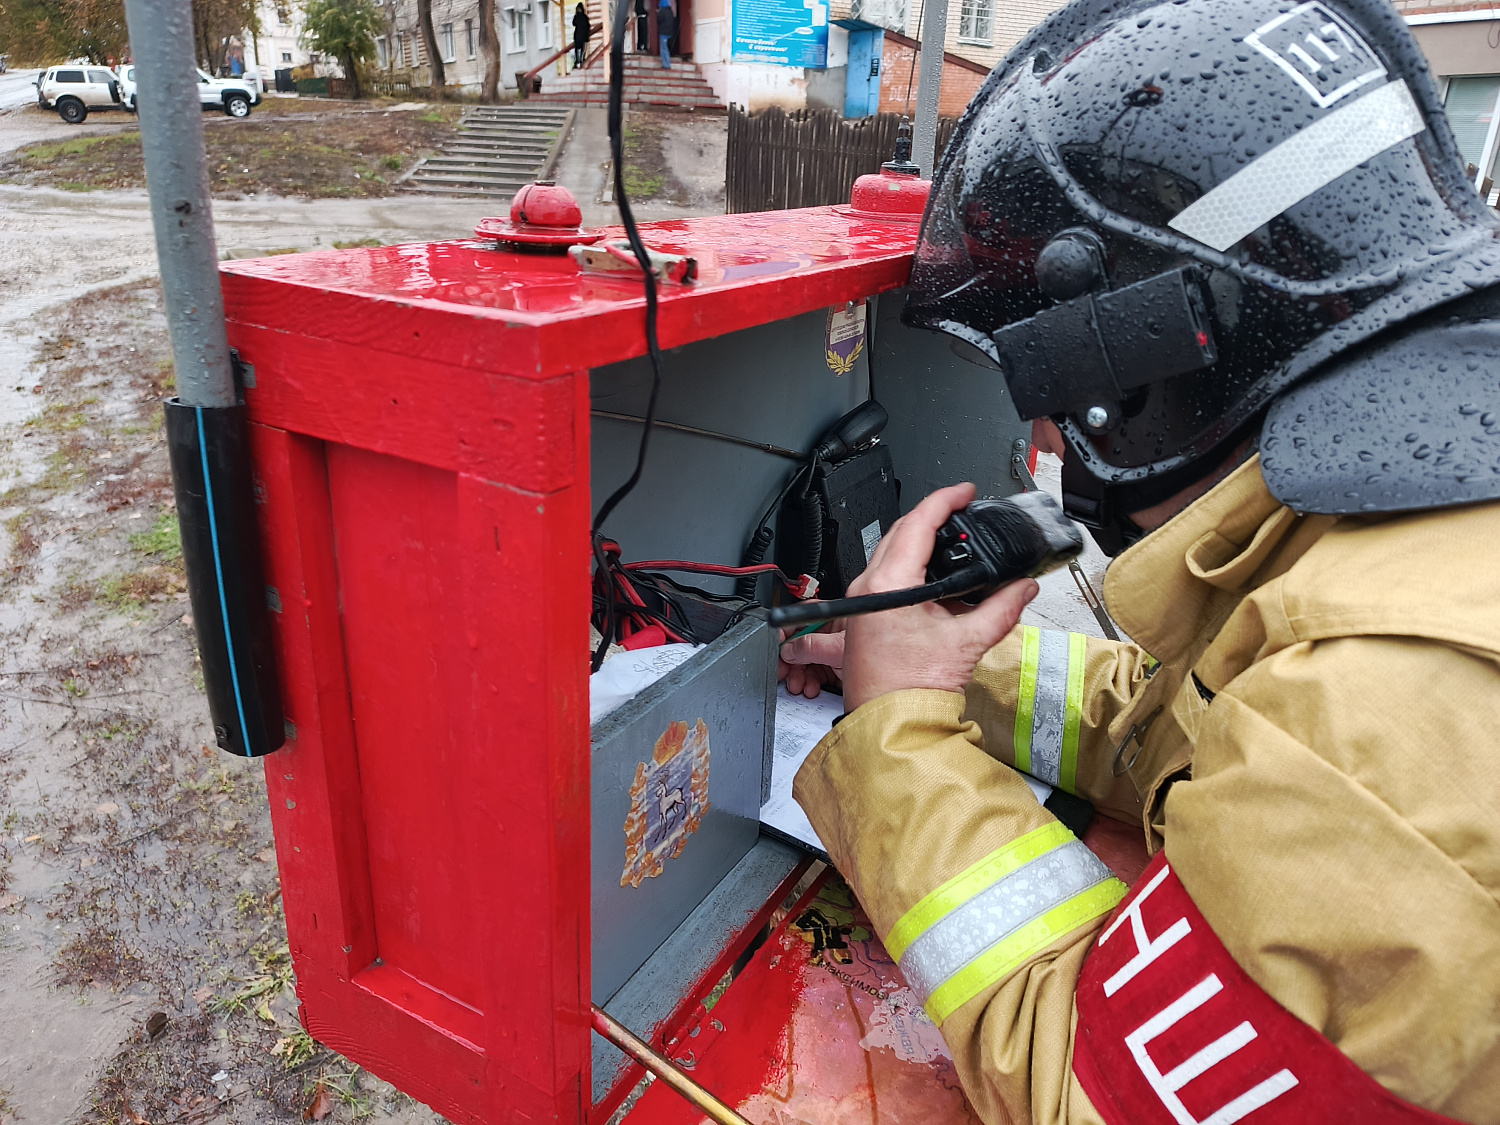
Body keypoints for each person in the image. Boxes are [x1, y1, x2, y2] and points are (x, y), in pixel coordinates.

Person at [780, 0, 1500, 1121]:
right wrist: (943, 674)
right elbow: (1216, 735)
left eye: (1046, 394)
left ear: (1155, 374)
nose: (1043, 445)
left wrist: (897, 737)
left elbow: (1095, 1087)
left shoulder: (1392, 701)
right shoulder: (1406, 536)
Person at [656, 0, 675, 69]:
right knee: (666, 48)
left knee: (664, 49)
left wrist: (658, 13)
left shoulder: (662, 11)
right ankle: (666, 63)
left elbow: (658, 20)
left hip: (663, 33)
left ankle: (666, 64)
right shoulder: (670, 11)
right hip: (669, 32)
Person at [572, 2, 591, 69]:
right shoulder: (583, 17)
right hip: (580, 35)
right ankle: (578, 60)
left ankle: (580, 60)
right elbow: (574, 23)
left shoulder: (581, 17)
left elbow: (574, 23)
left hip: (580, 35)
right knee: (579, 48)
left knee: (580, 48)